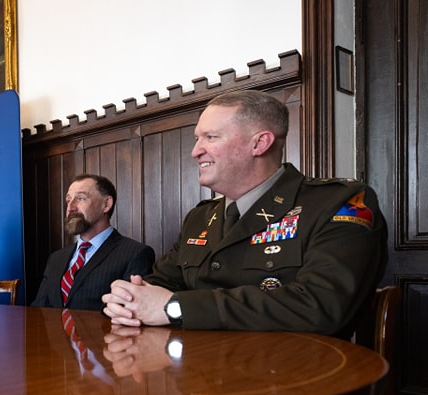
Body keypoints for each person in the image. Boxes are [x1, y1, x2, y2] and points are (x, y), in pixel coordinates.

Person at [103, 89, 387, 339]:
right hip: (199, 377)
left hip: (296, 382)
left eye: (210, 137)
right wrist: (129, 298)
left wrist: (175, 308)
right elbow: (161, 282)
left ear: (259, 144)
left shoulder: (340, 202)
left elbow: (322, 304)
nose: (195, 151)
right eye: (197, 138)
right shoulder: (200, 218)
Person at [31, 174, 155, 310]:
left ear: (106, 204)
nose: (70, 208)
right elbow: (39, 311)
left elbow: (128, 313)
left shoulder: (135, 253)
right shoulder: (56, 258)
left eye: (80, 198)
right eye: (68, 200)